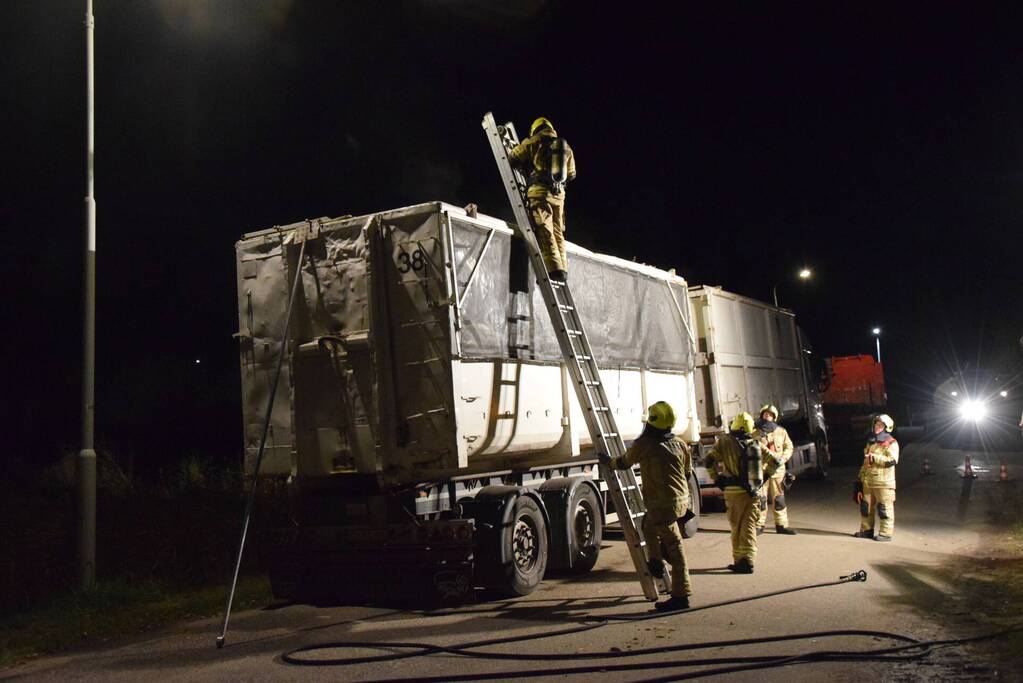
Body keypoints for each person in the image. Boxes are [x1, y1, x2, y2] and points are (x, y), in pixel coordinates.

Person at [600, 401, 694, 611]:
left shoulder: (646, 445)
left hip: (661, 506)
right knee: (648, 526)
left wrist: (608, 462)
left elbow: (624, 462)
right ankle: (656, 560)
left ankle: (681, 596)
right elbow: (687, 473)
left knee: (675, 548)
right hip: (680, 502)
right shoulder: (680, 444)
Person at [508, 117, 577, 282]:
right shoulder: (565, 147)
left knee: (545, 230)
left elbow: (513, 157)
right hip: (559, 195)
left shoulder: (535, 141)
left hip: (540, 193)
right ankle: (563, 269)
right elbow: (572, 174)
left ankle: (554, 270)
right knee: (558, 232)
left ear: (536, 129)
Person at [704, 412, 763, 574]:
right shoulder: (756, 443)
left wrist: (717, 479)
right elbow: (775, 461)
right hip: (752, 493)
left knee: (736, 527)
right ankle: (748, 561)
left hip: (732, 493)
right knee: (749, 526)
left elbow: (708, 460)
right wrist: (761, 482)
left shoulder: (724, 442)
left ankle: (739, 561)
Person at [853, 413, 899, 541]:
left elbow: (892, 460)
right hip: (868, 482)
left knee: (884, 509)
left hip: (883, 482)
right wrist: (859, 479)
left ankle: (885, 533)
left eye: (880, 425)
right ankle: (866, 530)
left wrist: (875, 458)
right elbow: (865, 463)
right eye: (876, 424)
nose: (877, 427)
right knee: (865, 508)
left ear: (886, 427)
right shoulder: (871, 442)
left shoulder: (891, 443)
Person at [753, 404, 797, 535]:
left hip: (777, 472)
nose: (767, 416)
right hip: (761, 472)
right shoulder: (755, 432)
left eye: (770, 414)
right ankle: (759, 525)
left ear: (774, 417)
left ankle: (781, 525)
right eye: (765, 414)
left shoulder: (781, 431)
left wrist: (783, 459)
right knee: (760, 500)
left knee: (779, 499)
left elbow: (789, 447)